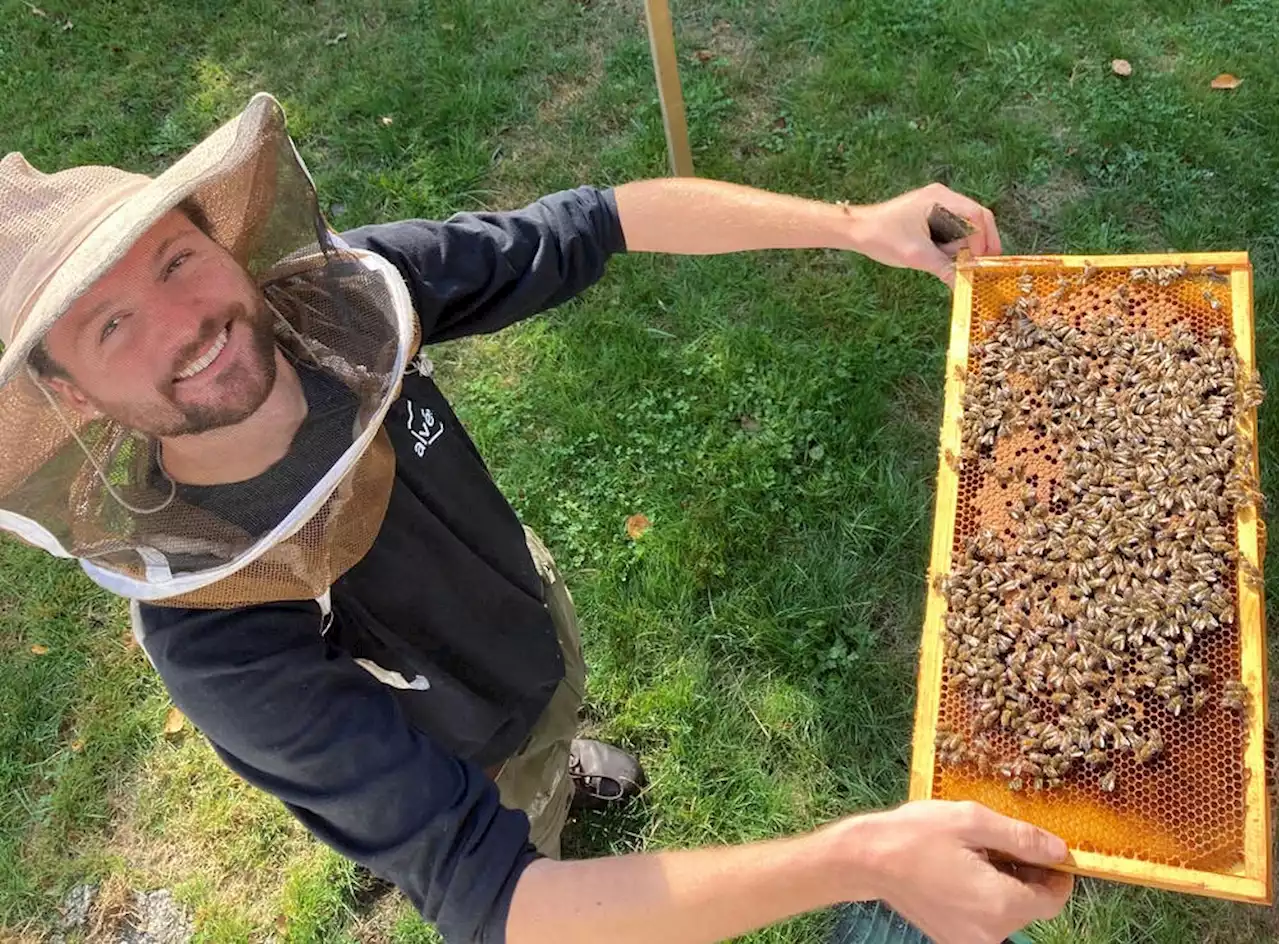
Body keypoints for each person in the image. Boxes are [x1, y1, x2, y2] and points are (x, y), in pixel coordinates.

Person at [0, 94, 1072, 944]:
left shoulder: (344, 302)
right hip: (455, 750)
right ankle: (546, 791)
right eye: (112, 324)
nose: (188, 325)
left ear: (224, 246)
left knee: (554, 696)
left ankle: (564, 757)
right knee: (520, 819)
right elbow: (502, 901)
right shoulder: (215, 643)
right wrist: (859, 859)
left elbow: (593, 222)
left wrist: (848, 226)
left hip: (516, 599)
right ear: (76, 395)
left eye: (177, 260)